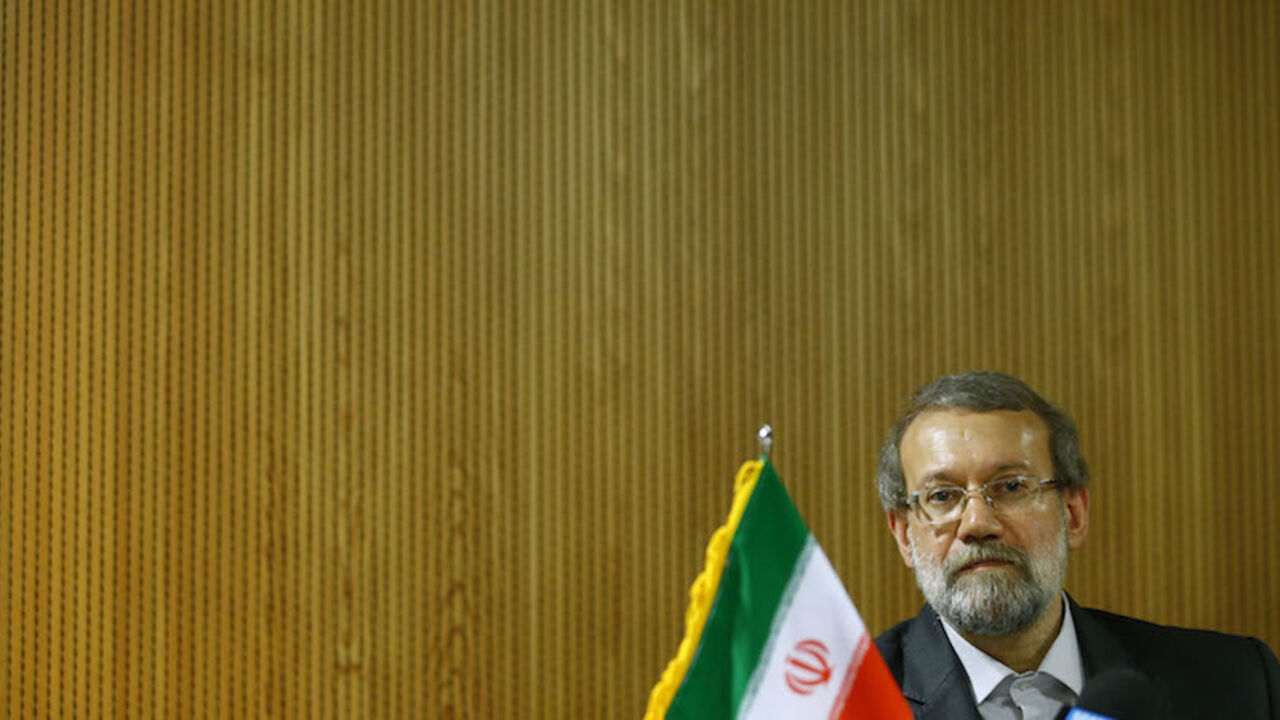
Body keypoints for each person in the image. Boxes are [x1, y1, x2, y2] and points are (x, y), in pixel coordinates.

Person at [872, 371, 1280, 719]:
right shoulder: (839, 705)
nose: (978, 523)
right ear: (905, 535)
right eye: (941, 496)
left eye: (1012, 486)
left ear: (1074, 513)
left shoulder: (1234, 684)